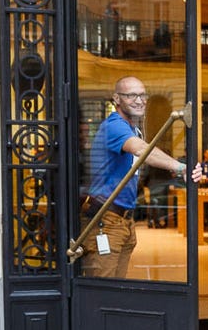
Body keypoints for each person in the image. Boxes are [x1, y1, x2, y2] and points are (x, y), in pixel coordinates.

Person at [79, 76, 188, 277]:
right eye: (131, 95)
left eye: (142, 94)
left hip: (123, 219)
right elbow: (140, 149)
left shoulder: (131, 128)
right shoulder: (114, 125)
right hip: (107, 219)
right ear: (117, 99)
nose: (139, 100)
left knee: (116, 288)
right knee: (103, 291)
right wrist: (180, 167)